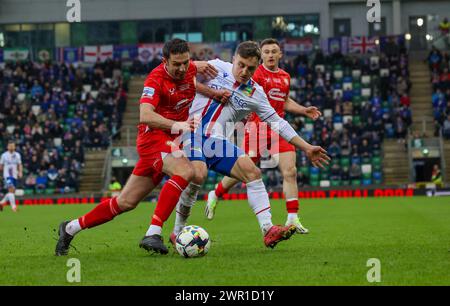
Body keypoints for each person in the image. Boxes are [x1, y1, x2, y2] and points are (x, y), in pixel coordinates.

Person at [54, 39, 226, 256]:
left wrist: (212, 92)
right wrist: (177, 124)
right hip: (152, 139)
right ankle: (154, 232)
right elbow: (145, 115)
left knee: (125, 202)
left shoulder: (189, 68)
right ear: (165, 61)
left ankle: (70, 228)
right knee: (186, 171)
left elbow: (192, 78)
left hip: (170, 141)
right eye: (177, 64)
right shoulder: (155, 79)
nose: (182, 68)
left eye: (186, 63)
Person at [170, 41, 330, 249]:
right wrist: (195, 64)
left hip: (216, 142)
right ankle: (176, 232)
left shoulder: (256, 94)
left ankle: (268, 229)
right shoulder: (217, 67)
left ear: (257, 67)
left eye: (251, 68)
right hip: (189, 133)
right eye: (241, 65)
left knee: (252, 172)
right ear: (234, 59)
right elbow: (181, 73)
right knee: (194, 182)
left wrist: (307, 147)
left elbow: (278, 123)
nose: (245, 71)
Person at [205, 39, 322, 234]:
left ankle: (292, 218)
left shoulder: (285, 76)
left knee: (290, 171)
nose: (269, 55)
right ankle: (216, 193)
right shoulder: (255, 72)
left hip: (278, 128)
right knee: (243, 171)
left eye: (273, 51)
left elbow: (282, 101)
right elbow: (246, 96)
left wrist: (303, 110)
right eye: (266, 51)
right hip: (257, 129)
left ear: (280, 54)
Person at [0, 141, 23, 212]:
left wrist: (20, 172)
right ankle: (14, 207)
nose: (11, 147)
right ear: (7, 147)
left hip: (14, 175)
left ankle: (1, 203)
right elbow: (1, 166)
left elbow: (20, 164)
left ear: (15, 147)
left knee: (12, 192)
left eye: (13, 146)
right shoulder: (4, 155)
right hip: (7, 175)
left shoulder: (17, 155)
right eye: (10, 146)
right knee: (11, 188)